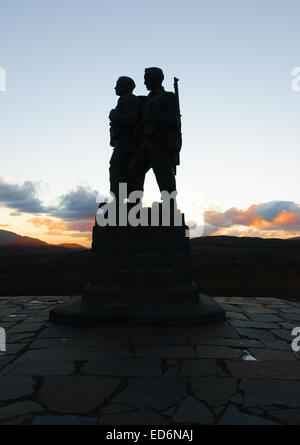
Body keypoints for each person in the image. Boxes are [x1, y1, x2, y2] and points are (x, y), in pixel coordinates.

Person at [128, 67, 181, 200]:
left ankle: (169, 204)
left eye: (147, 79)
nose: (145, 82)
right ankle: (134, 203)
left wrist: (156, 115)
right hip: (144, 142)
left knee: (163, 173)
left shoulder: (168, 96)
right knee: (134, 170)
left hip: (160, 142)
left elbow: (174, 121)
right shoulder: (145, 100)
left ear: (156, 79)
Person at [109, 76, 140, 200]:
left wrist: (114, 115)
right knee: (120, 170)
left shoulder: (129, 99)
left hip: (127, 143)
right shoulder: (124, 100)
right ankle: (121, 200)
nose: (115, 87)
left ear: (126, 86)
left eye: (118, 84)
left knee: (117, 169)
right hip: (122, 142)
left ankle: (120, 200)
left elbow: (132, 119)